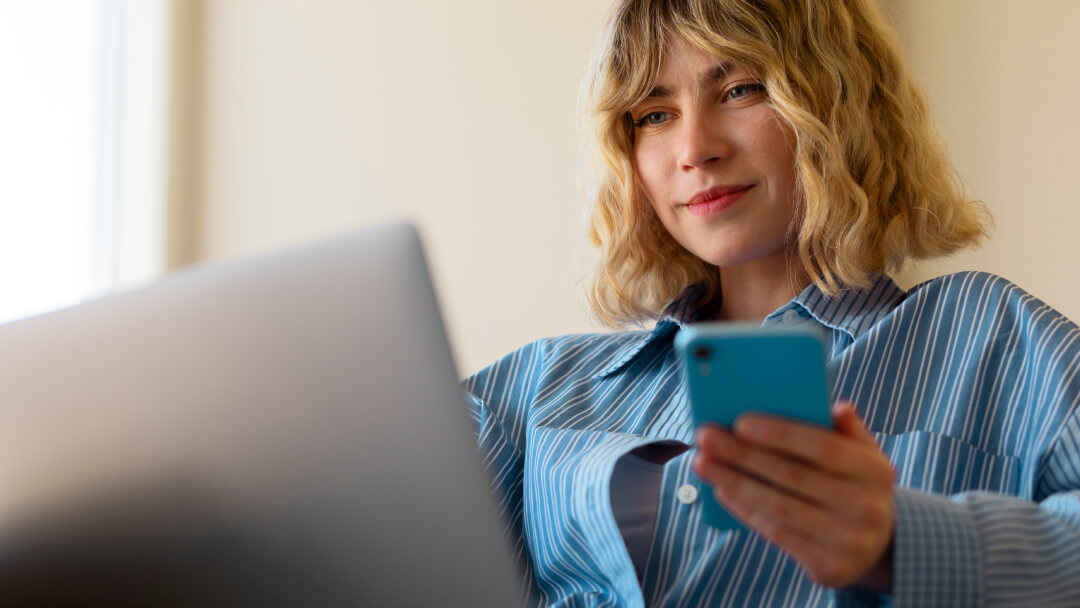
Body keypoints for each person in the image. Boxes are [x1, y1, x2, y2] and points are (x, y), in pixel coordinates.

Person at [463, 0, 1080, 605]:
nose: (693, 148)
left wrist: (902, 539)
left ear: (839, 102)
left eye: (739, 89)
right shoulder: (532, 391)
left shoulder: (995, 338)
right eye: (654, 115)